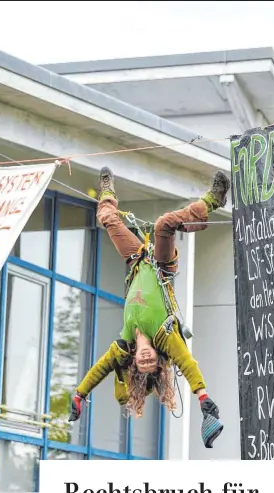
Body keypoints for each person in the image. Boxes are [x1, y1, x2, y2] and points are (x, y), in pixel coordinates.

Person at [67, 166, 231, 448]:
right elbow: (188, 364)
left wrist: (79, 396)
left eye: (141, 364)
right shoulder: (165, 337)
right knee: (163, 225)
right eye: (151, 363)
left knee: (107, 218)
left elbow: (100, 369)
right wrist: (202, 397)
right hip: (161, 267)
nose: (145, 360)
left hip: (137, 261)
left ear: (134, 362)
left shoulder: (124, 344)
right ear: (157, 359)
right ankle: (212, 202)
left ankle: (107, 191)